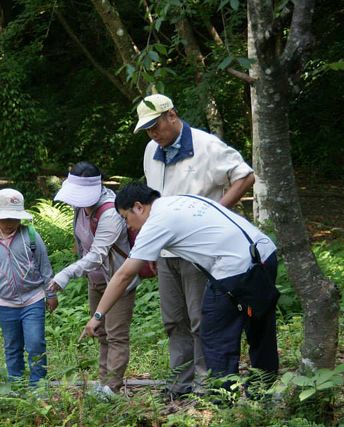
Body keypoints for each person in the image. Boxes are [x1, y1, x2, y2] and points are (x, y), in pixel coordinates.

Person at [82, 183, 279, 393]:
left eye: (125, 217)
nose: (128, 225)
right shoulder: (181, 199)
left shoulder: (156, 223)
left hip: (235, 269)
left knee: (215, 338)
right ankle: (262, 393)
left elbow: (123, 275)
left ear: (138, 207)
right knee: (259, 327)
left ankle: (223, 403)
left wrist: (98, 316)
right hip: (264, 254)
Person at [134, 93, 255, 397]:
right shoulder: (151, 150)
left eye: (156, 126)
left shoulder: (206, 145)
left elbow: (245, 176)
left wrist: (215, 213)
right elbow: (151, 200)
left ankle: (206, 384)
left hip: (199, 251)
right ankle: (180, 382)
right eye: (147, 129)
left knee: (202, 318)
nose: (153, 134)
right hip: (165, 250)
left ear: (172, 115)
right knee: (174, 320)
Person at [48, 161, 139, 394]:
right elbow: (81, 244)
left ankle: (111, 387)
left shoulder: (110, 212)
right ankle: (102, 382)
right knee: (100, 331)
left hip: (118, 280)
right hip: (95, 279)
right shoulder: (80, 208)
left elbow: (98, 254)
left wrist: (66, 273)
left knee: (116, 334)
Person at [0, 188, 57, 385]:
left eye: (15, 218)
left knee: (35, 343)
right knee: (12, 345)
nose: (11, 223)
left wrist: (50, 294)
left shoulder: (31, 236)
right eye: (6, 218)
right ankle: (15, 383)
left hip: (33, 298)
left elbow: (45, 267)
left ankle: (38, 384)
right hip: (5, 303)